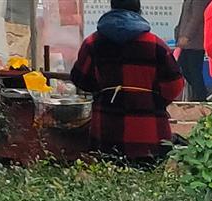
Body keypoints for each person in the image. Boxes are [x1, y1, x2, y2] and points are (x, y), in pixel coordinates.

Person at [70, 0, 187, 162]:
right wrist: (152, 102)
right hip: (149, 133)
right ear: (139, 10)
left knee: (107, 181)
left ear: (112, 7)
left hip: (106, 130)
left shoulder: (92, 43)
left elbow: (80, 79)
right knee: (150, 184)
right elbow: (175, 85)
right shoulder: (156, 45)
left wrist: (104, 92)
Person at [174, 0, 211, 101]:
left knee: (194, 71)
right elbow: (184, 17)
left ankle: (201, 97)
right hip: (185, 42)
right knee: (184, 68)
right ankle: (200, 94)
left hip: (195, 42)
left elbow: (197, 17)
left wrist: (187, 36)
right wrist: (177, 32)